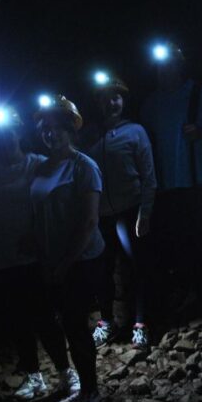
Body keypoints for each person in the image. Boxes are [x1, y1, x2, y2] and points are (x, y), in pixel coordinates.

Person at [0, 106, 79, 401]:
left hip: (34, 257)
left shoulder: (38, 164)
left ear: (17, 134)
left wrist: (42, 238)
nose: (2, 140)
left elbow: (57, 206)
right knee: (17, 320)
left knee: (44, 317)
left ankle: (65, 373)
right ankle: (34, 377)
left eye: (7, 133)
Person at [140, 42, 202, 315]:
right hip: (168, 186)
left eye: (168, 65)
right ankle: (193, 292)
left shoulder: (200, 93)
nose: (163, 71)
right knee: (179, 243)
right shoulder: (151, 103)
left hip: (200, 181)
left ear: (179, 66)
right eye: (159, 66)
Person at [31, 94, 104, 402]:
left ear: (70, 130)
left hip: (80, 261)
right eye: (46, 128)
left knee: (77, 328)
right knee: (64, 324)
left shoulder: (84, 166)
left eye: (58, 127)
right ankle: (82, 390)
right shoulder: (42, 167)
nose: (51, 133)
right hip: (51, 261)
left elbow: (89, 222)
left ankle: (91, 395)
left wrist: (65, 264)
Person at [87, 73, 157, 349]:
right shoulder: (92, 137)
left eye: (115, 98)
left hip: (131, 210)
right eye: (105, 99)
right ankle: (106, 321)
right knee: (102, 269)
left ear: (123, 101)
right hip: (102, 214)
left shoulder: (135, 131)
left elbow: (148, 175)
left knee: (137, 266)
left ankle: (141, 323)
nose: (111, 103)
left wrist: (145, 212)